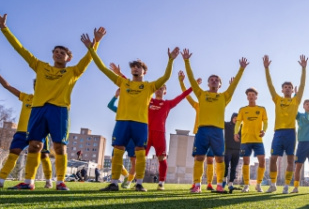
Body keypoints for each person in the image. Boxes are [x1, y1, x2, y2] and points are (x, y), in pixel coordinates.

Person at [0, 14, 104, 191]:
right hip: (39, 110)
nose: (58, 54)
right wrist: (4, 29)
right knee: (34, 145)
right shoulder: (40, 66)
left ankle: (60, 182)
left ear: (68, 58)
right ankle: (28, 182)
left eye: (62, 53)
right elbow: (21, 50)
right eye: (56, 52)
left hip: (60, 110)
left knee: (59, 146)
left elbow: (88, 60)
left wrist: (96, 42)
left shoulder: (73, 72)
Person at [81, 32, 179, 192]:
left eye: (138, 67)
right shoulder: (123, 82)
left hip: (141, 124)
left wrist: (170, 60)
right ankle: (114, 183)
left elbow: (166, 76)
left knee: (140, 154)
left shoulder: (149, 86)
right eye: (133, 66)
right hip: (122, 122)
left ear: (144, 72)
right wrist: (92, 48)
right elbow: (102, 68)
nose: (135, 68)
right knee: (117, 152)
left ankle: (139, 184)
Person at [182, 50, 248, 193]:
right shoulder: (201, 94)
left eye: (216, 80)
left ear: (220, 85)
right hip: (202, 130)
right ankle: (197, 185)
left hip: (218, 131)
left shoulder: (224, 96)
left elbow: (234, 85)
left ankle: (219, 185)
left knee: (219, 158)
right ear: (208, 82)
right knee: (199, 157)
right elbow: (192, 80)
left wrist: (241, 69)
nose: (214, 81)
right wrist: (186, 61)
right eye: (211, 79)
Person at [263, 54, 307, 194]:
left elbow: (303, 84)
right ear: (282, 90)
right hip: (278, 133)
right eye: (285, 87)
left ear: (292, 90)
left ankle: (287, 186)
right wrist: (266, 69)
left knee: (290, 160)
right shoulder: (277, 99)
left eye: (289, 87)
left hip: (290, 133)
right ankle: (273, 184)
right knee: (273, 159)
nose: (287, 88)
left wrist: (303, 69)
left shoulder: (296, 101)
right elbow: (270, 85)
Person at [0, 76, 53, 189]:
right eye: (36, 85)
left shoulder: (49, 101)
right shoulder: (26, 97)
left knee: (44, 156)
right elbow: (7, 86)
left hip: (39, 132)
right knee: (13, 153)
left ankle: (48, 181)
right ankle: (1, 180)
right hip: (22, 132)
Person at [235, 88, 268, 192]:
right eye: (249, 95)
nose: (251, 96)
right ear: (247, 97)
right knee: (246, 162)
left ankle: (258, 184)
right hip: (245, 140)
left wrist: (264, 130)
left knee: (262, 161)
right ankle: (246, 185)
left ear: (256, 96)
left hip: (258, 140)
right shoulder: (242, 110)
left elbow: (266, 122)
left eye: (253, 94)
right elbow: (238, 123)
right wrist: (236, 132)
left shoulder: (262, 109)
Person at [107, 88, 138, 188]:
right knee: (114, 160)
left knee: (134, 162)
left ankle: (128, 181)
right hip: (121, 137)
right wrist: (116, 95)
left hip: (133, 140)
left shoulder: (140, 110)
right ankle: (125, 175)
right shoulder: (122, 110)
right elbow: (110, 106)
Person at [224, 112, 241, 191]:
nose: (235, 120)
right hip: (228, 149)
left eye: (237, 119)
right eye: (234, 118)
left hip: (237, 150)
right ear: (232, 118)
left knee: (234, 168)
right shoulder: (227, 125)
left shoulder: (241, 127)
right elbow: (220, 121)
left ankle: (231, 183)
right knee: (226, 165)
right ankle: (223, 181)